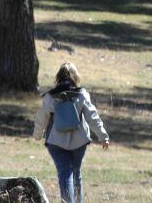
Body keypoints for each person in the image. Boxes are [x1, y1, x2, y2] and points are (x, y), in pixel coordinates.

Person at [33, 62, 109, 203]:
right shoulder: (82, 95)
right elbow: (93, 117)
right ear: (76, 77)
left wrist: (37, 135)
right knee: (76, 173)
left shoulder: (50, 96)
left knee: (65, 173)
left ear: (58, 77)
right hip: (79, 142)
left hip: (56, 142)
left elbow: (42, 117)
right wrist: (103, 137)